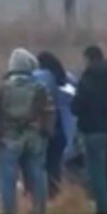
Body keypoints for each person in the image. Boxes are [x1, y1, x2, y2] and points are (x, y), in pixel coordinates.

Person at [0, 48, 54, 214]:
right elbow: (49, 112)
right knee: (38, 175)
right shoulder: (40, 88)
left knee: (7, 179)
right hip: (34, 136)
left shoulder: (2, 88)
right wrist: (46, 133)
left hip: (9, 138)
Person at [70, 45, 107, 214]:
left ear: (88, 59)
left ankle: (104, 213)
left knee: (98, 174)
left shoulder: (87, 79)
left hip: (93, 132)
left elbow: (76, 107)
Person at [33, 51, 77, 197]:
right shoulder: (68, 79)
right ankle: (55, 194)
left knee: (39, 165)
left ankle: (40, 197)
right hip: (62, 131)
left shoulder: (41, 78)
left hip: (45, 127)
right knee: (55, 167)